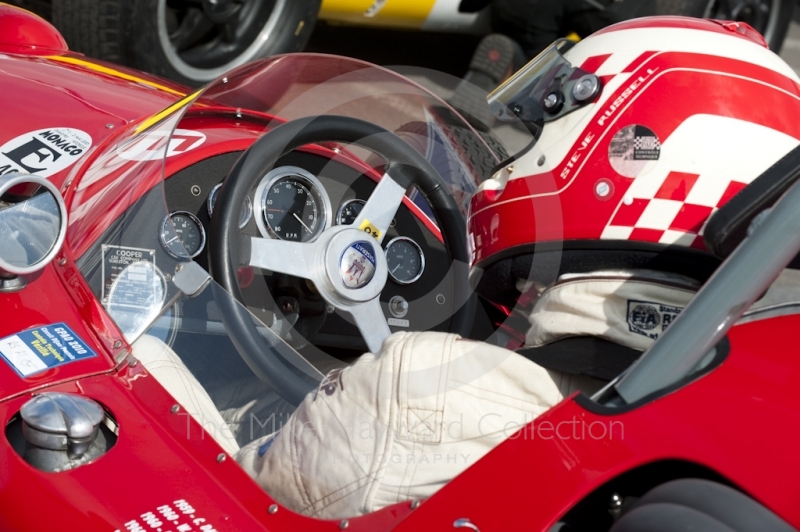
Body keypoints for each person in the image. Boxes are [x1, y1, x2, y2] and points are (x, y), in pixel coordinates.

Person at [135, 16, 800, 520]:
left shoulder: (415, 387)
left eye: (543, 126)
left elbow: (214, 496)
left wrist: (138, 337)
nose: (512, 162)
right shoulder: (732, 416)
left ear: (622, 153)